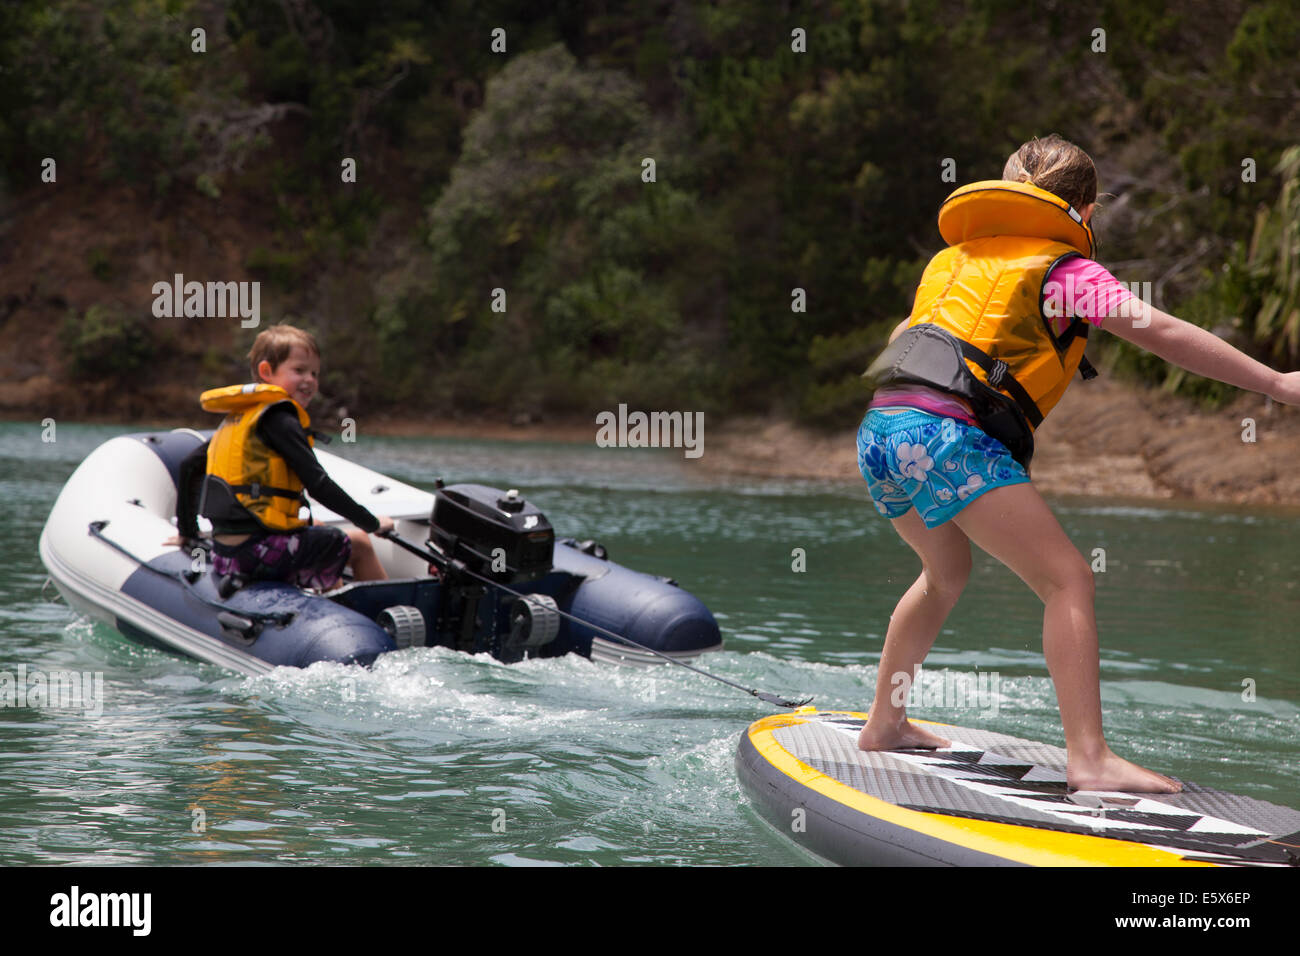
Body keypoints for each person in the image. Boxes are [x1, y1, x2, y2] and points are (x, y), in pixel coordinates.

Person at [855, 134, 1300, 793]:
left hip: (881, 431)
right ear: (1086, 213)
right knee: (1069, 580)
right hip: (948, 436)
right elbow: (1162, 332)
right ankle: (1089, 759)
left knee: (943, 573)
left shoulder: (953, 260)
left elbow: (902, 342)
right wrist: (1279, 384)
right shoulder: (1065, 271)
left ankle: (884, 724)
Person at [191, 323, 394, 590]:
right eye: (299, 370)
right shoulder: (281, 420)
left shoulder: (240, 418)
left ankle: (333, 602)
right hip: (257, 553)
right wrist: (371, 522)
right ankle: (386, 620)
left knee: (318, 528)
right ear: (266, 371)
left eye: (315, 373)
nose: (310, 380)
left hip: (227, 554)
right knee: (360, 544)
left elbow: (189, 466)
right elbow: (318, 485)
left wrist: (186, 532)